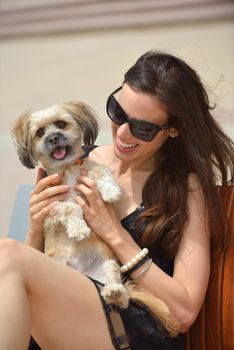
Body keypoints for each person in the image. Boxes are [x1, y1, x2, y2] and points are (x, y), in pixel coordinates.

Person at [1, 50, 233, 350]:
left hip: (131, 327)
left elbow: (185, 311)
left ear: (174, 129)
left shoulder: (184, 188)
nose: (123, 132)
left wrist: (114, 232)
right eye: (118, 112)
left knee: (7, 252)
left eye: (143, 128)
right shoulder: (68, 161)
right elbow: (33, 268)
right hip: (60, 317)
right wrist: (34, 227)